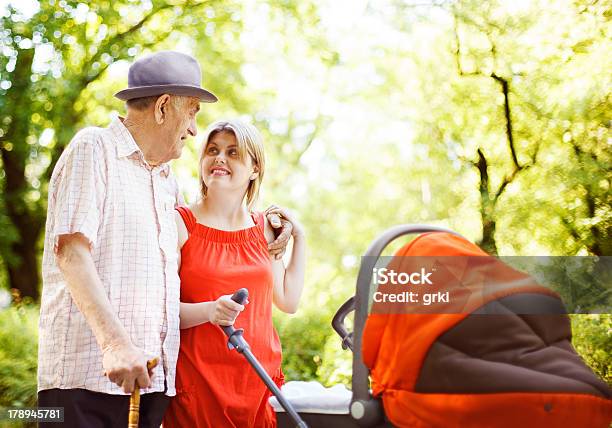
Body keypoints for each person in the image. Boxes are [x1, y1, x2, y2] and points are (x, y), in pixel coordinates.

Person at [37, 51, 292, 428]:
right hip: (87, 384)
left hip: (152, 388)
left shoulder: (165, 181)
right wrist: (114, 344)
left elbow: (216, 222)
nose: (193, 129)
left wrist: (277, 221)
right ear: (162, 108)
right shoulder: (95, 149)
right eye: (191, 113)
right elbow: (71, 253)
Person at [162, 120, 306, 428]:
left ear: (255, 168)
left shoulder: (265, 228)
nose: (220, 158)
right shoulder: (180, 224)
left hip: (258, 382)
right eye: (212, 150)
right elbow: (160, 312)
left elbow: (288, 301)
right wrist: (209, 310)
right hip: (198, 385)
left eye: (232, 152)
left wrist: (300, 238)